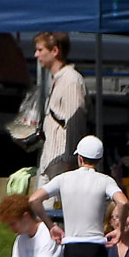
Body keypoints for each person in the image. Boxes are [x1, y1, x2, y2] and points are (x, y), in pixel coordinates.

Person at [33, 31, 89, 179]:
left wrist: (70, 162)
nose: (36, 55)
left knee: (54, 202)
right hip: (51, 161)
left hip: (61, 163)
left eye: (40, 50)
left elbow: (75, 122)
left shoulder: (71, 80)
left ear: (55, 51)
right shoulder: (57, 80)